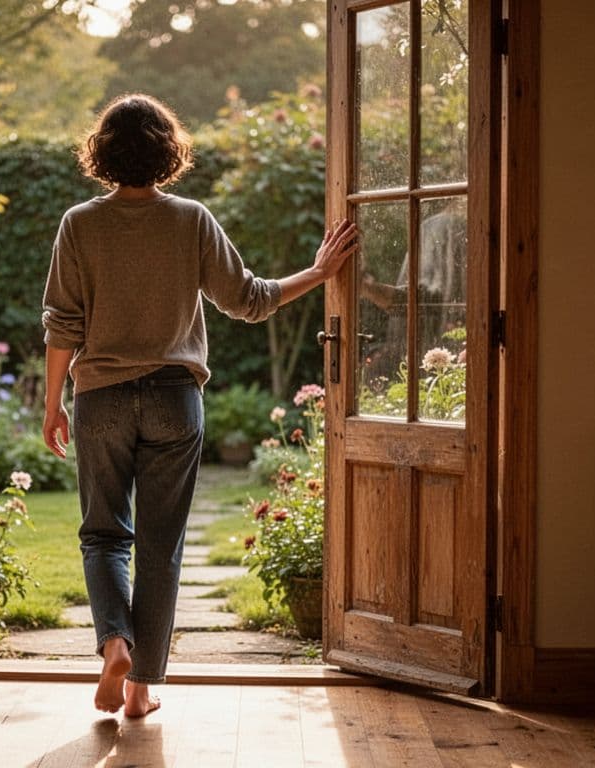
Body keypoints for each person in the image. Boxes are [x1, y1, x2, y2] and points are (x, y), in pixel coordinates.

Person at [39, 94, 359, 718]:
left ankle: (114, 645)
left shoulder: (79, 223)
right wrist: (319, 274)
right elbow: (250, 299)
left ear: (101, 152)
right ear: (168, 150)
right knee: (162, 545)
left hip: (100, 398)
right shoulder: (190, 219)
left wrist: (53, 405)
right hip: (174, 399)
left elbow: (62, 326)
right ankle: (139, 693)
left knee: (104, 534)